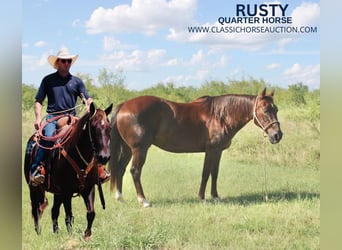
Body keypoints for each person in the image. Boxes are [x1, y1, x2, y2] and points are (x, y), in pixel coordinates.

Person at [30, 47, 110, 186]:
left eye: (68, 61)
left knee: (90, 136)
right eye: (63, 61)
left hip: (72, 118)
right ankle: (37, 170)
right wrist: (38, 118)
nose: (66, 63)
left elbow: (87, 98)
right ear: (58, 63)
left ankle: (99, 169)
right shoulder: (48, 80)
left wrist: (89, 105)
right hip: (53, 118)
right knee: (47, 138)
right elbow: (38, 101)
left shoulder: (77, 81)